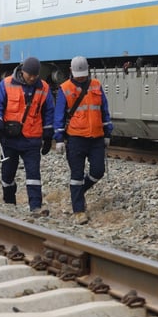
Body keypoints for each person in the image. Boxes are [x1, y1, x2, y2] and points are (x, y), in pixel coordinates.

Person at [0, 56, 55, 216]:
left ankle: (35, 207)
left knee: (33, 174)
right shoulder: (6, 84)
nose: (32, 78)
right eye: (29, 75)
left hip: (32, 139)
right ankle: (10, 202)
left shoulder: (44, 88)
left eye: (35, 75)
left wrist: (48, 136)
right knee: (7, 174)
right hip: (9, 139)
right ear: (22, 71)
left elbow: (49, 112)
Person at [53, 56, 113, 224]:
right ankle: (78, 211)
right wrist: (58, 139)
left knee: (98, 171)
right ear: (71, 71)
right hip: (76, 138)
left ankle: (79, 191)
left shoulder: (96, 85)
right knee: (76, 175)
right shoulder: (65, 89)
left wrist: (107, 133)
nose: (81, 77)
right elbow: (59, 116)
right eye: (78, 74)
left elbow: (104, 111)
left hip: (96, 138)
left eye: (83, 74)